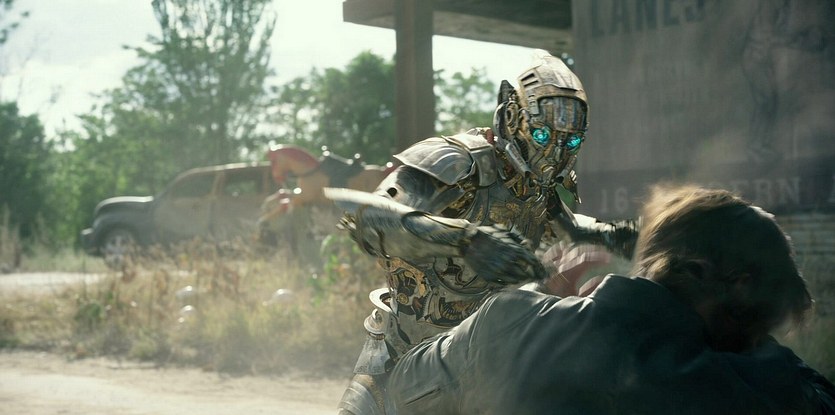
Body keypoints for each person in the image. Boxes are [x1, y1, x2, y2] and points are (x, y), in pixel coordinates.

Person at [328, 49, 639, 414]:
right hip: (402, 361)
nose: (555, 155)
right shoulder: (457, 161)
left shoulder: (536, 189)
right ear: (511, 117)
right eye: (542, 135)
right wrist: (464, 241)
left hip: (481, 371)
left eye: (568, 142)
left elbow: (570, 229)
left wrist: (619, 234)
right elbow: (368, 217)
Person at [385, 184, 835, 415]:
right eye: (763, 317)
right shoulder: (772, 391)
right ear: (736, 288)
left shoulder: (509, 322)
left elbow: (400, 392)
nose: (761, 334)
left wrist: (539, 301)